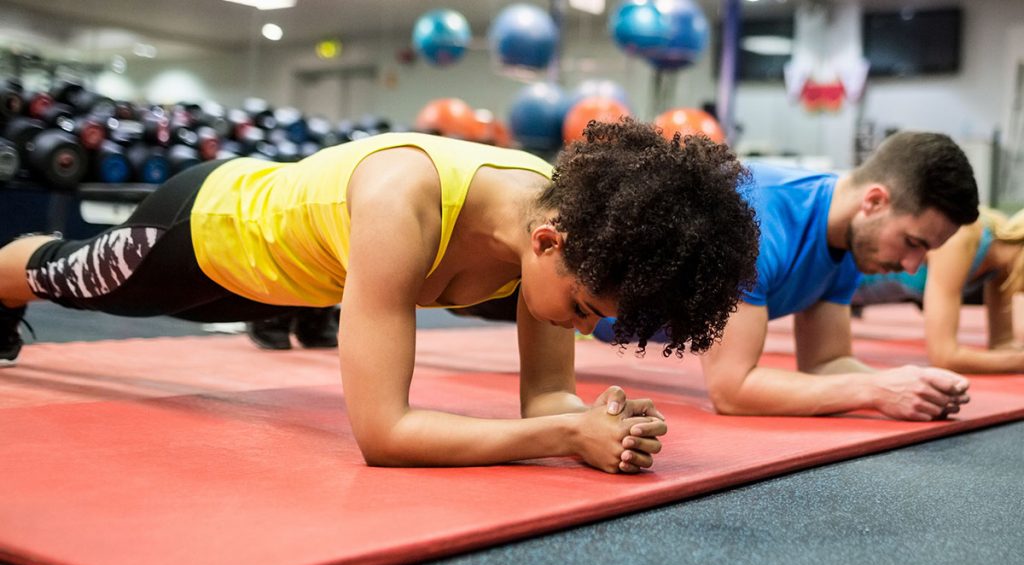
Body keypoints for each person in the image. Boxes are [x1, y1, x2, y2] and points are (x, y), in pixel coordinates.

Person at [0, 119, 761, 473]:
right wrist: (567, 439)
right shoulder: (408, 201)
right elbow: (385, 434)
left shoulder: (566, 222)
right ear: (547, 242)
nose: (588, 329)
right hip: (207, 230)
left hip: (299, 278)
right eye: (589, 310)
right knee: (63, 274)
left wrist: (604, 423)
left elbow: (549, 398)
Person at [695, 131, 980, 421]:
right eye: (912, 243)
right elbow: (730, 389)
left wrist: (913, 386)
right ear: (874, 201)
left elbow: (825, 362)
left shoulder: (852, 240)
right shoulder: (757, 222)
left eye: (926, 251)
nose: (912, 266)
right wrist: (875, 390)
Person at [852, 206, 1024, 373]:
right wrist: (1017, 361)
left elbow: (1003, 345)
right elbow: (944, 356)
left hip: (844, 293)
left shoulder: (1002, 266)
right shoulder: (961, 237)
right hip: (836, 279)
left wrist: (1015, 358)